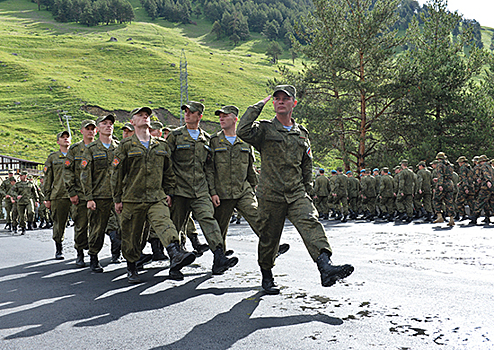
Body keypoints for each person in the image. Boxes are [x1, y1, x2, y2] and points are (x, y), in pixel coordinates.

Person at [237, 85, 354, 294]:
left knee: (311, 222)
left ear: (294, 103)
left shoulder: (301, 133)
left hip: (296, 192)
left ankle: (325, 266)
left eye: (285, 98)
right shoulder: (264, 129)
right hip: (270, 194)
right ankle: (266, 273)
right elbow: (242, 130)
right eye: (277, 98)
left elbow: (306, 164)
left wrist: (307, 190)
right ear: (273, 103)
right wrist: (259, 105)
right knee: (268, 238)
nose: (280, 101)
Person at [112, 106, 196, 283]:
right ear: (132, 122)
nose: (145, 117)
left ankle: (175, 252)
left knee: (164, 223)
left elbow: (169, 172)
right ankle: (132, 266)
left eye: (147, 115)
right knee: (133, 236)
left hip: (156, 197)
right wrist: (117, 199)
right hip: (132, 199)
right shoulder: (125, 146)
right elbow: (116, 174)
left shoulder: (161, 145)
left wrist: (169, 192)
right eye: (140, 115)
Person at [166, 101, 238, 275]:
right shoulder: (175, 136)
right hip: (179, 190)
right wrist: (167, 191)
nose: (187, 114)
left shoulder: (206, 139)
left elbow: (209, 168)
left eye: (191, 112)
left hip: (200, 190)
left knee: (208, 219)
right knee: (177, 227)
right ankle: (175, 264)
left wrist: (212, 192)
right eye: (186, 112)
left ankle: (219, 256)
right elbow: (166, 164)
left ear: (200, 115)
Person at [208, 105, 290, 255]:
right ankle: (219, 259)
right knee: (219, 228)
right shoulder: (213, 141)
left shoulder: (245, 141)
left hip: (243, 190)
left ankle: (273, 247)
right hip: (222, 192)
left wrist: (255, 188)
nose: (221, 118)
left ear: (235, 119)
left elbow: (250, 167)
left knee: (257, 216)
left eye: (225, 115)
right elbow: (210, 169)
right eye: (220, 116)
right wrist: (212, 192)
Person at [80, 114, 119, 273]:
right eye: (104, 123)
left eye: (110, 124)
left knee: (124, 227)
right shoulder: (91, 149)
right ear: (98, 129)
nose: (108, 126)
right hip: (99, 196)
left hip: (118, 196)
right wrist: (89, 198)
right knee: (97, 229)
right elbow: (85, 175)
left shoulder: (120, 147)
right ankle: (94, 257)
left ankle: (119, 254)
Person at [63, 119, 97, 268]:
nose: (90, 131)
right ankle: (80, 253)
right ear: (82, 131)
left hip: (98, 193)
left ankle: (94, 255)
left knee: (97, 227)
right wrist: (71, 192)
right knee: (81, 225)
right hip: (80, 194)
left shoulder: (100, 147)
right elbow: (67, 171)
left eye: (92, 129)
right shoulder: (75, 149)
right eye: (87, 128)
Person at [43, 130, 72, 260]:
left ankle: (81, 251)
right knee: (59, 223)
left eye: (67, 137)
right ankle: (59, 248)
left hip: (76, 194)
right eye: (62, 137)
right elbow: (48, 179)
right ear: (58, 141)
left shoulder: (77, 155)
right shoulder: (53, 158)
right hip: (59, 195)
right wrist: (47, 197)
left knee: (82, 223)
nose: (65, 139)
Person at [432, 152, 456, 226]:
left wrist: (440, 184)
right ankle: (451, 219)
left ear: (438, 159)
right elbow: (448, 175)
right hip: (449, 184)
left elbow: (440, 175)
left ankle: (439, 216)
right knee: (449, 201)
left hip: (443, 184)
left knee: (436, 199)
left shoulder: (440, 165)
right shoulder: (450, 165)